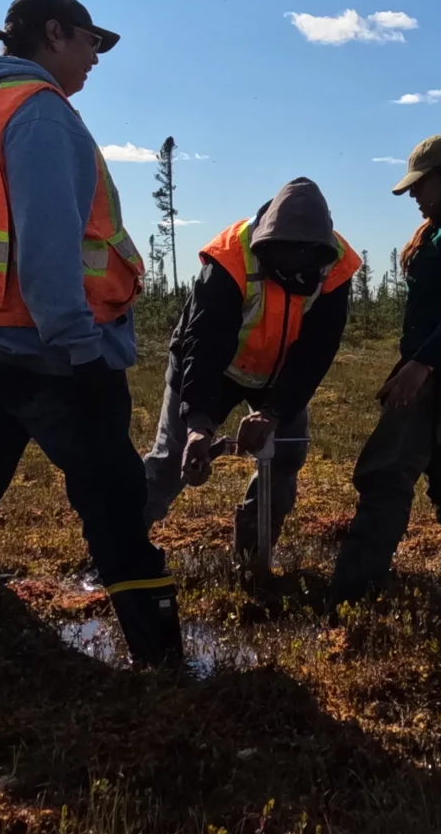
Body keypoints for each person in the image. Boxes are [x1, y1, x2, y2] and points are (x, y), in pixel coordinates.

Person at [0, 0, 182, 667]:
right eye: (89, 43)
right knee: (114, 503)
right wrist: (80, 346)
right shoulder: (41, 116)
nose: (95, 59)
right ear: (54, 33)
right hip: (56, 353)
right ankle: (162, 660)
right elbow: (49, 248)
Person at [330, 135, 441, 605]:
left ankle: (352, 596)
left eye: (420, 184)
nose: (413, 195)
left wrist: (422, 365)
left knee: (385, 474)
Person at [145, 179, 360, 574]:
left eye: (302, 259)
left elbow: (316, 352)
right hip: (214, 366)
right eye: (282, 256)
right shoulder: (231, 257)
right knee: (171, 458)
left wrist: (275, 412)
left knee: (286, 456)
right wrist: (198, 425)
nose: (292, 266)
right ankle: (119, 551)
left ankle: (251, 557)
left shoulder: (335, 267)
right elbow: (204, 344)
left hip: (279, 374)